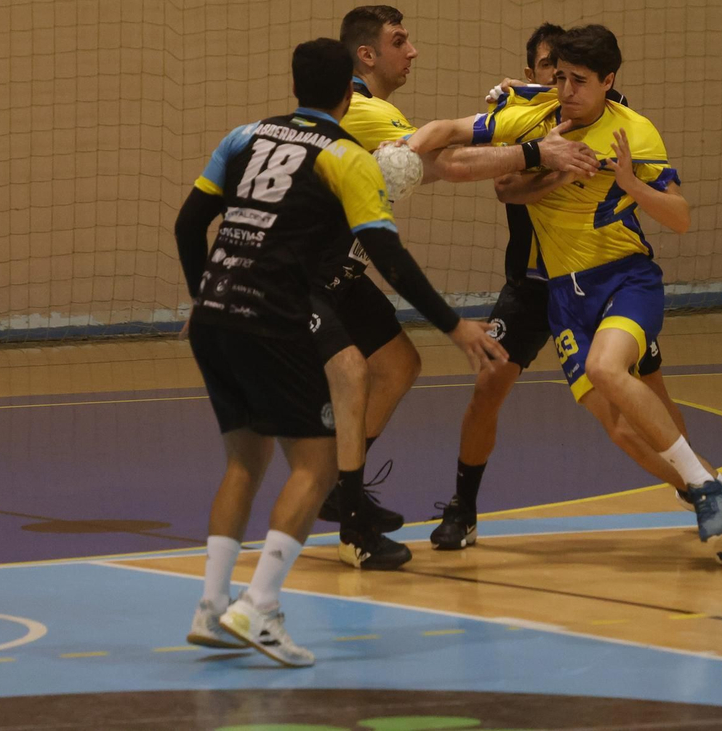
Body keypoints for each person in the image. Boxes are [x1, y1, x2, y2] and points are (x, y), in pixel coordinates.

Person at [173, 38, 502, 666]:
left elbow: (190, 225)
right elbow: (388, 258)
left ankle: (211, 607)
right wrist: (454, 325)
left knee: (244, 463)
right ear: (350, 93)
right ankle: (259, 606)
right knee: (317, 468)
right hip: (271, 316)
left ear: (294, 85)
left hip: (215, 314)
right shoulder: (347, 157)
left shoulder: (243, 136)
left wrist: (200, 295)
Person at [409, 25, 722, 561]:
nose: (562, 87)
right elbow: (479, 165)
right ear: (535, 72)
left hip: (621, 278)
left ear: (607, 82)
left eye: (574, 78)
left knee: (631, 389)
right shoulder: (527, 117)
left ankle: (708, 492)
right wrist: (401, 153)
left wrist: (633, 185)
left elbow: (679, 216)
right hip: (549, 289)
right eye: (554, 74)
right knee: (612, 425)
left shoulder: (629, 129)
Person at [316, 6, 597, 571]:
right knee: (351, 378)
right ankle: (345, 504)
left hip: (349, 271)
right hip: (311, 275)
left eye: (568, 73)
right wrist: (540, 151)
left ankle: (339, 490)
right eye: (401, 41)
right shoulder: (365, 112)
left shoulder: (588, 116)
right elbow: (450, 164)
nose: (413, 50)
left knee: (398, 366)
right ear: (366, 55)